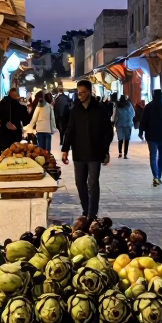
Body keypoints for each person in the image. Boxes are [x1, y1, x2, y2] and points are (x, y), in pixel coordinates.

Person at [61, 78, 113, 218]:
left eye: (83, 93)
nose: (80, 95)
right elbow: (70, 130)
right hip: (78, 152)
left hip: (95, 153)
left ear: (89, 92)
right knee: (80, 183)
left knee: (93, 183)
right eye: (78, 93)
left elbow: (108, 132)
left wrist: (105, 150)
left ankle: (92, 213)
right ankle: (86, 209)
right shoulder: (75, 110)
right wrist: (65, 149)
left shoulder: (100, 109)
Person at [139, 88, 162, 186]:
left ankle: (156, 176)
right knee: (161, 157)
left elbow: (143, 120)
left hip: (151, 135)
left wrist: (141, 131)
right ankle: (158, 176)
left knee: (153, 156)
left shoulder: (148, 107)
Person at [0, 85, 31, 155]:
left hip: (4, 132)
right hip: (15, 132)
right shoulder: (20, 105)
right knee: (14, 152)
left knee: (4, 152)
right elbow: (26, 120)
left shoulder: (2, 102)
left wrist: (5, 122)